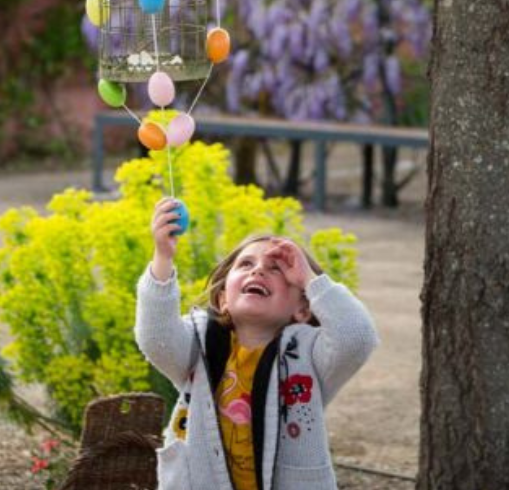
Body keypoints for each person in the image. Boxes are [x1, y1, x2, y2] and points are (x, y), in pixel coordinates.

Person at [135, 198, 378, 490]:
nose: (258, 270)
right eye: (246, 264)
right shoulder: (198, 342)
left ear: (303, 309)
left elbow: (357, 337)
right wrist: (163, 257)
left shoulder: (310, 355)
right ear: (223, 299)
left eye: (276, 269)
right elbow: (155, 338)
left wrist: (310, 279)